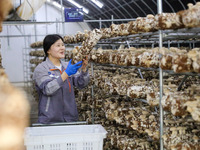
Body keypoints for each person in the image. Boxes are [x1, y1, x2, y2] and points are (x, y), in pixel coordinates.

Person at [33, 34, 90, 124]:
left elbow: (81, 84)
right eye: (58, 45)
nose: (62, 48)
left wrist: (84, 69)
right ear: (48, 50)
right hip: (50, 120)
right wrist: (66, 74)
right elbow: (48, 89)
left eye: (63, 45)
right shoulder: (41, 69)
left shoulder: (67, 66)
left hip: (70, 118)